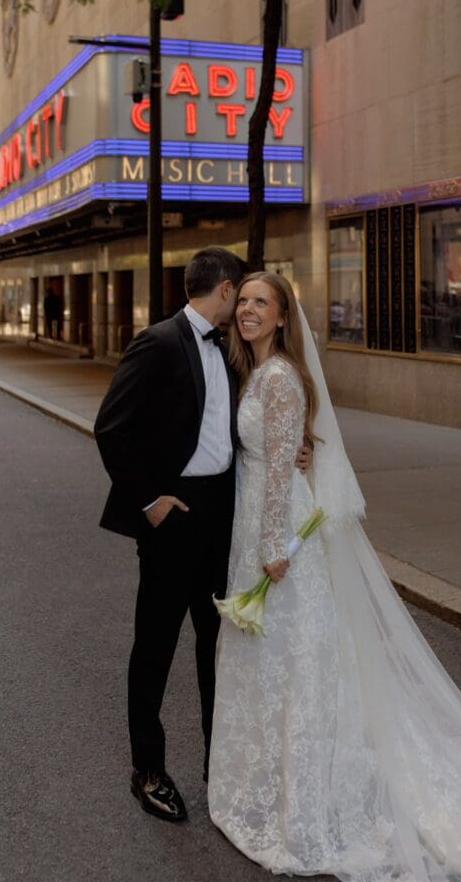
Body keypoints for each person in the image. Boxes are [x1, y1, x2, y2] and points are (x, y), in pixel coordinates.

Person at [209, 272, 461, 882]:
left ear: (283, 317)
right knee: (285, 656)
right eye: (244, 301)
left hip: (274, 534)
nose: (249, 310)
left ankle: (304, 799)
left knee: (301, 657)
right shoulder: (256, 372)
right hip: (259, 524)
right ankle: (279, 782)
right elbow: (290, 451)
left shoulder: (278, 377)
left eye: (262, 303)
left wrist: (272, 548)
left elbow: (280, 469)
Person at [94, 248, 311, 826]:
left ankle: (225, 769)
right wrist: (151, 501)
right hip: (175, 517)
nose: (243, 306)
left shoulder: (235, 351)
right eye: (239, 294)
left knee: (220, 649)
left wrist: (295, 449)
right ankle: (149, 771)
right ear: (221, 289)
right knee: (155, 648)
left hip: (226, 518)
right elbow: (110, 428)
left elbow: (255, 423)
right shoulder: (159, 342)